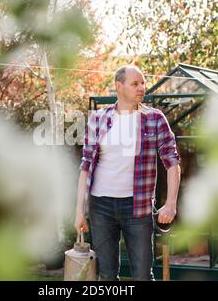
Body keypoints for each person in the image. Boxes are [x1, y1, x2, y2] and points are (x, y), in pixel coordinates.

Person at [74, 65, 181, 281]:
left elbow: (172, 162)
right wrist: (79, 210)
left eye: (143, 83)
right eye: (135, 83)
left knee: (142, 275)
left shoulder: (155, 119)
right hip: (101, 205)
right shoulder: (98, 118)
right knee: (106, 275)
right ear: (118, 86)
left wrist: (171, 203)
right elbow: (86, 165)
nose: (142, 87)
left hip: (138, 207)